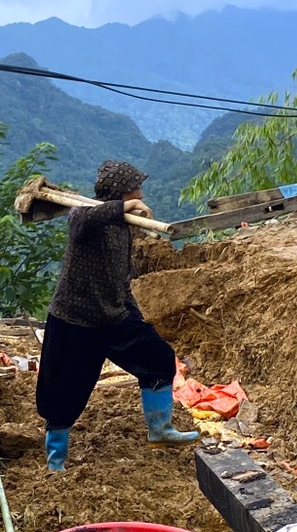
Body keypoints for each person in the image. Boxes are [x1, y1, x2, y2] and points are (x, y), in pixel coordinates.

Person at [36, 159, 197, 471]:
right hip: (74, 320)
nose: (142, 195)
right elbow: (79, 220)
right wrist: (126, 206)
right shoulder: (85, 218)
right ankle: (56, 462)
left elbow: (120, 278)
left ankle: (160, 429)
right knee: (64, 393)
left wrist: (133, 314)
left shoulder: (123, 228)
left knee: (159, 358)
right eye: (137, 191)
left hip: (113, 317)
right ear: (122, 193)